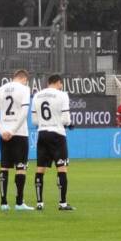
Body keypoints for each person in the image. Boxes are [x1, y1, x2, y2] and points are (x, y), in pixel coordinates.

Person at [0, 69, 33, 210]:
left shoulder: (0, 90)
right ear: (24, 79)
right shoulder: (25, 89)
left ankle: (3, 203)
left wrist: (3, 131)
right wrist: (13, 131)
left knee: (4, 167)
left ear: (14, 77)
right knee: (21, 168)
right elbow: (24, 113)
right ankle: (19, 203)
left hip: (4, 135)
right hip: (20, 133)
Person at [32, 74, 74, 211]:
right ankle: (62, 203)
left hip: (42, 133)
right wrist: (69, 124)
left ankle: (39, 203)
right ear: (58, 82)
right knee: (61, 168)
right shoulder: (62, 95)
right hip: (57, 134)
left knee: (40, 169)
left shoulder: (37, 95)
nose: (61, 86)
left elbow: (34, 121)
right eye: (61, 84)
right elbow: (65, 119)